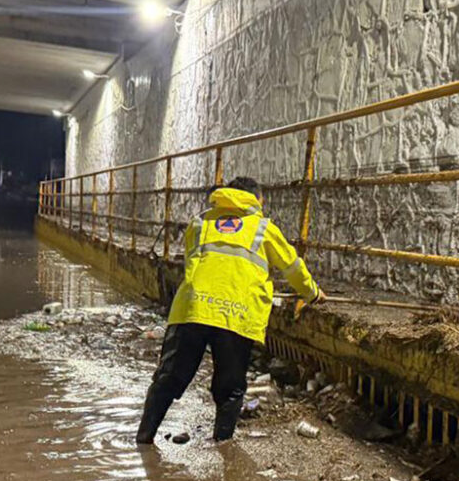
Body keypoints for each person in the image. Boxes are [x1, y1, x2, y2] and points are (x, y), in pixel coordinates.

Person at [137, 177, 324, 444]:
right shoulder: (263, 228)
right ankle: (223, 447)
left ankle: (143, 441)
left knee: (168, 379)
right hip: (237, 314)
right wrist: (313, 294)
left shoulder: (199, 223)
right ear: (256, 199)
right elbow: (293, 267)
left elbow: (196, 262)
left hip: (193, 310)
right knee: (230, 388)